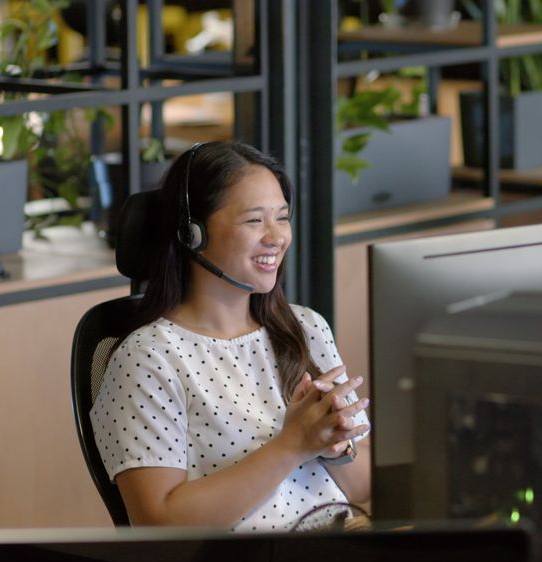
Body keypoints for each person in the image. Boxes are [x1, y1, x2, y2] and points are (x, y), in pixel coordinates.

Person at [90, 141, 370, 531]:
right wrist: (291, 447)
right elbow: (157, 524)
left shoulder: (305, 328)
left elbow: (363, 489)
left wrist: (334, 445)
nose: (276, 237)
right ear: (192, 234)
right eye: (254, 220)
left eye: (282, 218)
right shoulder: (148, 358)